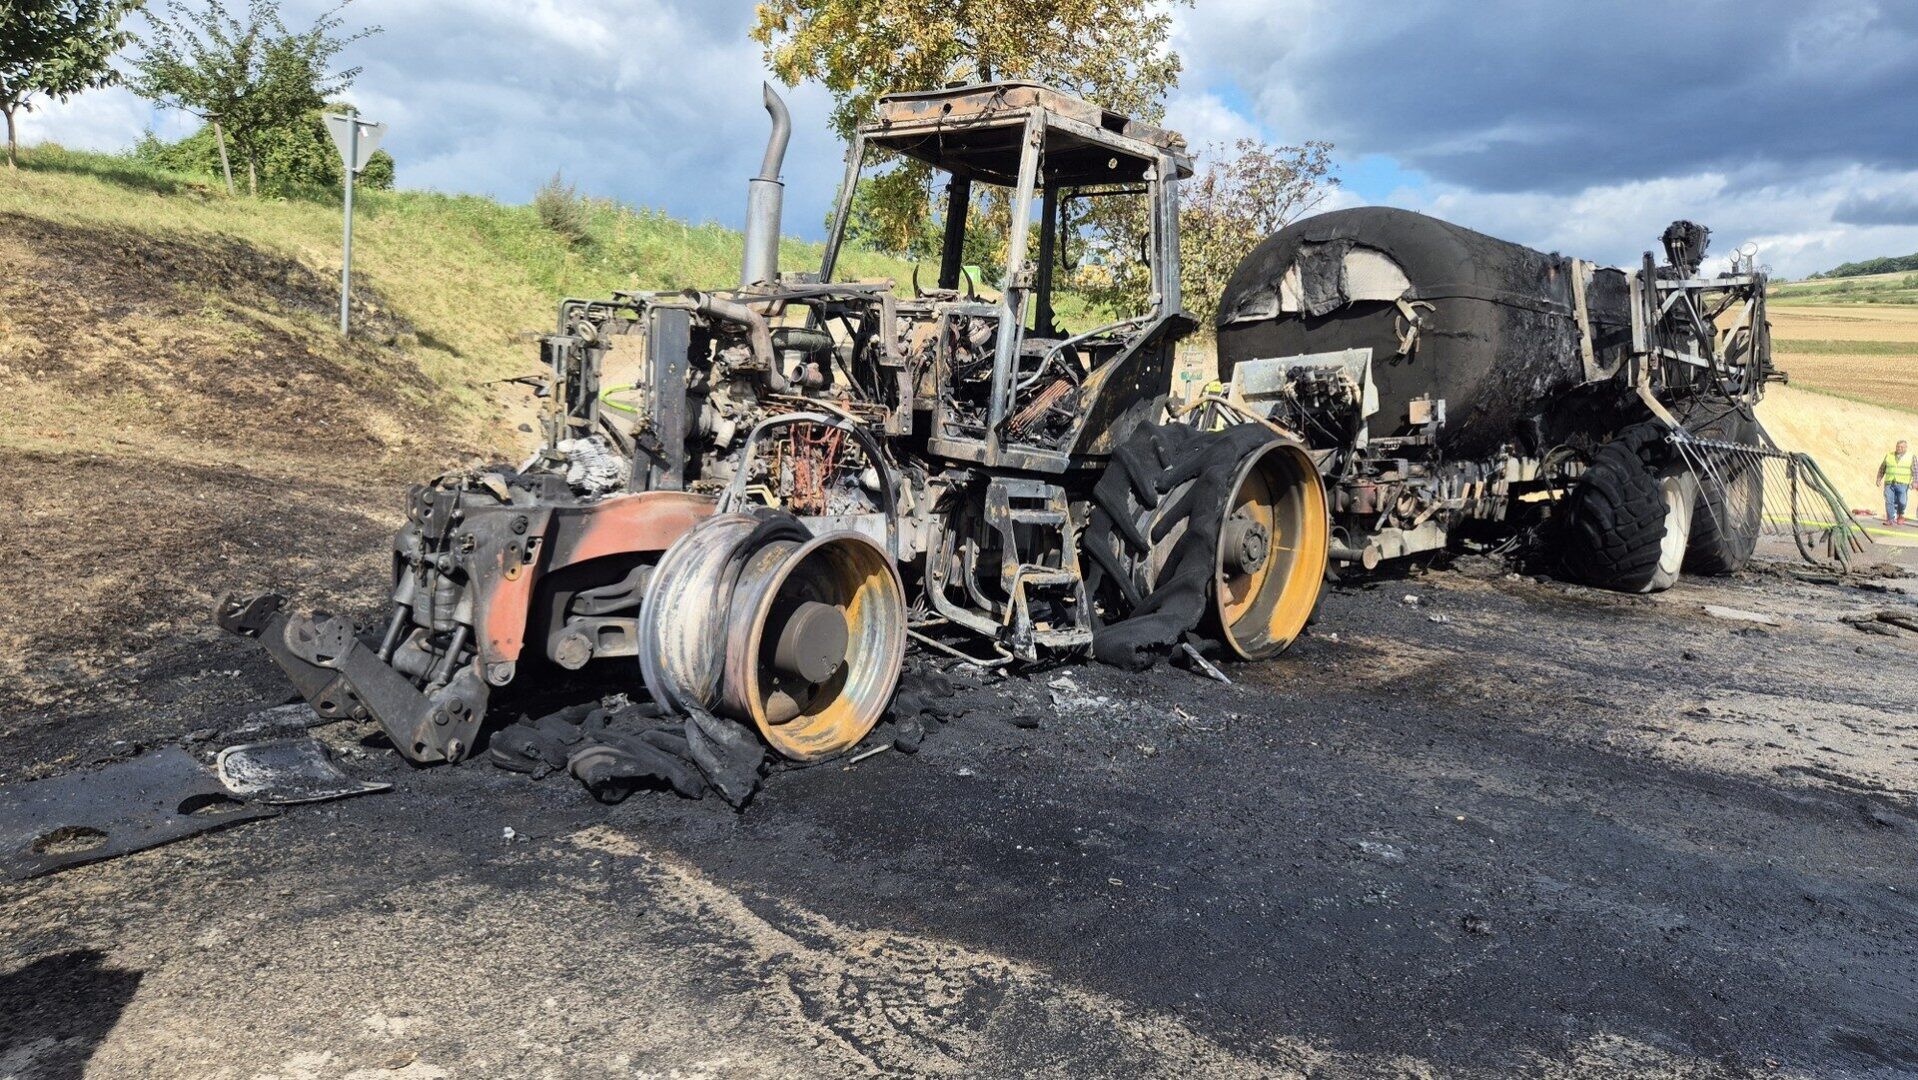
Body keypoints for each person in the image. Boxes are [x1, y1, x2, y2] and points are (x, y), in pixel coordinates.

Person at [1878, 439, 1914, 526]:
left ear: (1906, 448)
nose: (1899, 448)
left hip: (1903, 483)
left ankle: (1900, 514)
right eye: (1898, 446)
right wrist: (1879, 478)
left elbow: (1916, 471)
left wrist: (1915, 482)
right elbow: (1882, 468)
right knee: (1889, 500)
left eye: (1901, 447)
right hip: (1889, 482)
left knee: (1902, 502)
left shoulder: (1911, 457)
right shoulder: (1889, 455)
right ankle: (1890, 519)